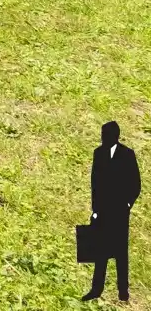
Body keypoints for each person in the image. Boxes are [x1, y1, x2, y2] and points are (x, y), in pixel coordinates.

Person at [87, 121, 140, 302]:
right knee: (100, 250)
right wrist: (95, 209)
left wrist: (127, 204)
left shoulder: (127, 154)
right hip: (102, 210)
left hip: (119, 211)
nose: (103, 138)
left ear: (115, 136)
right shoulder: (98, 153)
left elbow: (135, 183)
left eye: (106, 134)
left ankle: (123, 292)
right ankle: (96, 289)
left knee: (120, 252)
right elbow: (95, 184)